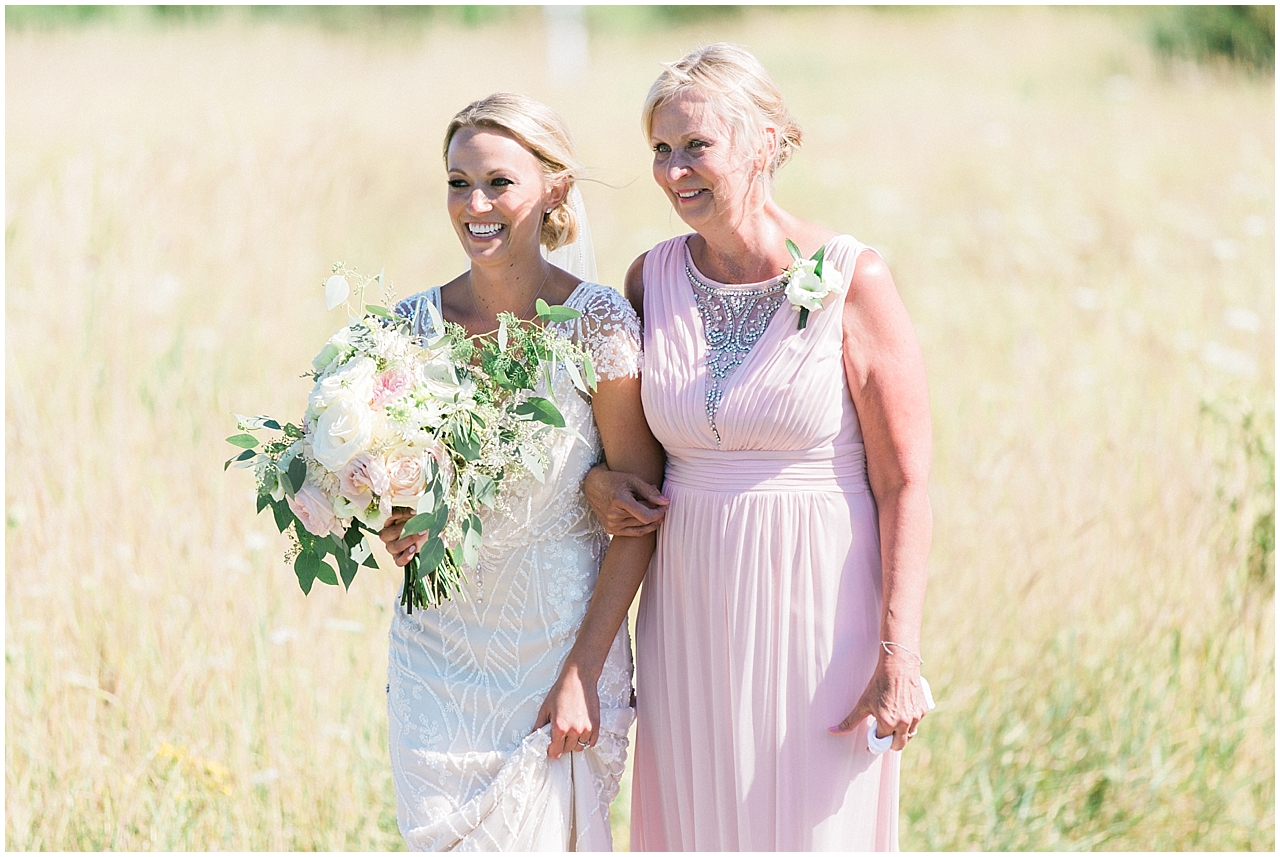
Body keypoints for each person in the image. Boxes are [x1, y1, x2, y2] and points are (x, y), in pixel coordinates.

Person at [583, 44, 933, 850]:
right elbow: (619, 451)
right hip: (687, 611)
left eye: (695, 146)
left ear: (765, 141)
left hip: (820, 610)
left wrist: (900, 652)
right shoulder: (650, 278)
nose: (674, 172)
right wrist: (597, 485)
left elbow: (906, 481)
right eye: (661, 151)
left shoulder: (853, 277)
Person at [379, 92, 664, 851]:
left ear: (554, 189)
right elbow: (388, 486)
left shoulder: (598, 323)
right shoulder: (406, 330)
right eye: (457, 181)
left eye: (499, 182)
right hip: (434, 659)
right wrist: (390, 516)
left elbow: (639, 516)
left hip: (558, 651)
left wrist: (583, 667)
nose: (475, 204)